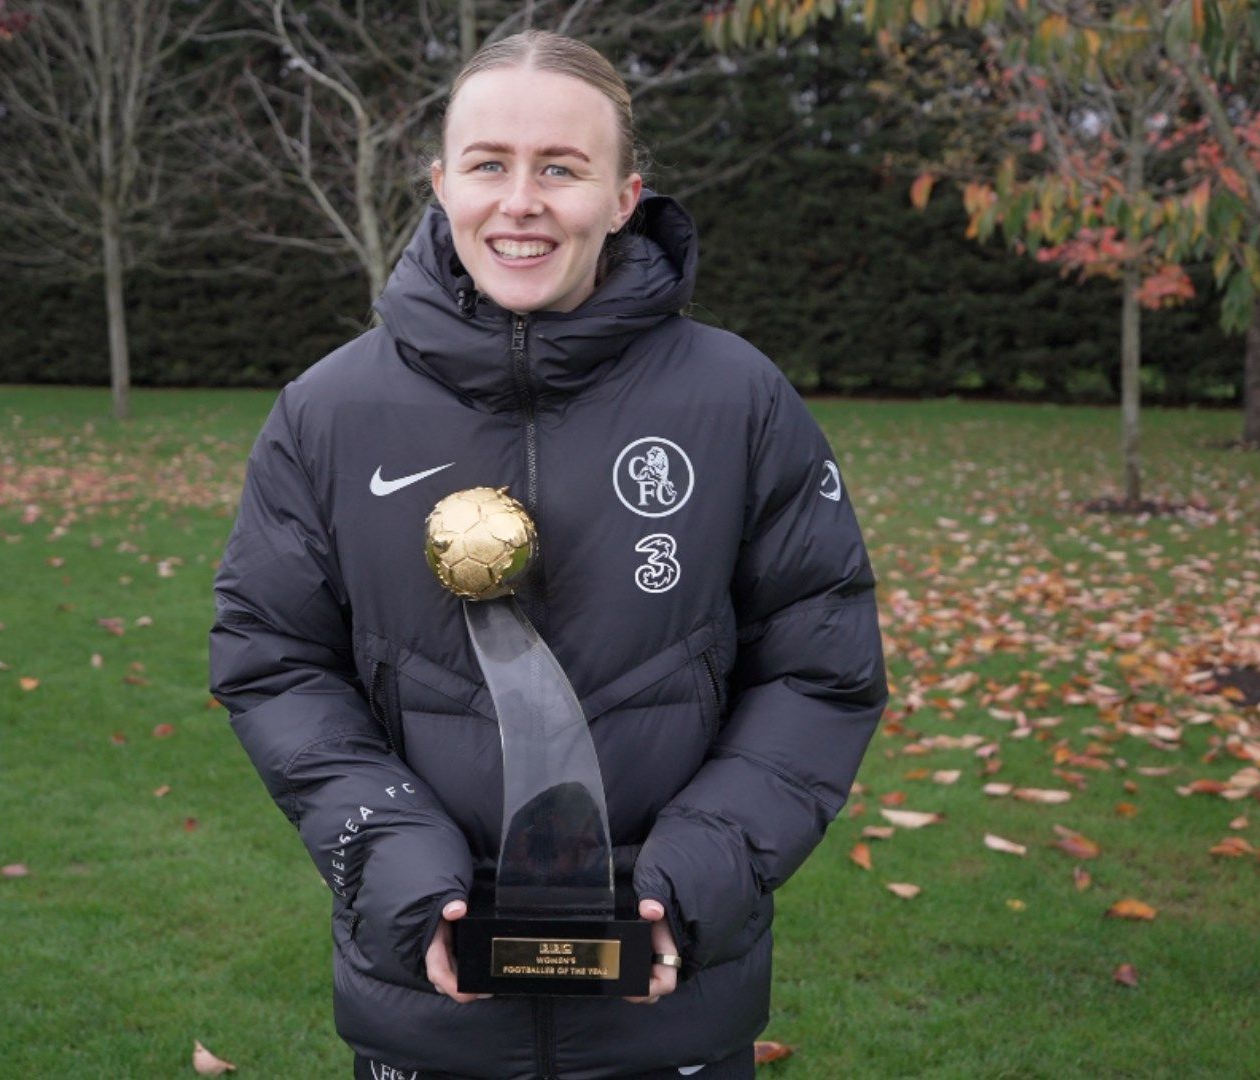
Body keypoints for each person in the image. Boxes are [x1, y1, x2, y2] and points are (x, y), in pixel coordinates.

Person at [210, 29, 886, 1080]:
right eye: (489, 164)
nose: (519, 201)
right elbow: (274, 660)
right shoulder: (332, 412)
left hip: (671, 1004)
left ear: (624, 197)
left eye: (561, 169)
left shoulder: (737, 400)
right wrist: (391, 856)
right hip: (425, 1003)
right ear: (441, 185)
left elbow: (820, 667)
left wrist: (703, 872)